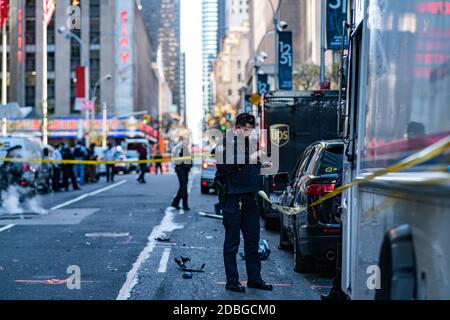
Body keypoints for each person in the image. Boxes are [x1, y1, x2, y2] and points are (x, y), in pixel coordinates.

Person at [215, 113, 273, 293]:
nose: (248, 132)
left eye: (251, 129)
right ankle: (232, 281)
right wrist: (250, 159)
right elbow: (223, 166)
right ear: (236, 128)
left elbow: (256, 168)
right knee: (232, 242)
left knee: (252, 240)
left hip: (249, 198)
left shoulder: (252, 145)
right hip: (232, 198)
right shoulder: (226, 143)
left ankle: (255, 279)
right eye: (244, 129)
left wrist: (264, 163)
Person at [171, 137, 192, 211]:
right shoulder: (180, 147)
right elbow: (180, 159)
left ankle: (175, 202)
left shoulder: (181, 147)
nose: (188, 142)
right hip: (181, 169)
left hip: (183, 169)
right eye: (187, 140)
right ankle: (185, 205)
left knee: (183, 186)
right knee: (184, 187)